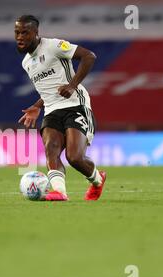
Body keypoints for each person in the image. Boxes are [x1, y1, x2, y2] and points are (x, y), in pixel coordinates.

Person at [16, 15, 106, 201]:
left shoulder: (54, 46)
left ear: (36, 33)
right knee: (52, 149)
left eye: (25, 32)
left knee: (74, 158)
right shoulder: (26, 63)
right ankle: (59, 192)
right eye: (17, 32)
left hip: (75, 105)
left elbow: (89, 56)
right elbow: (48, 90)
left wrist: (72, 85)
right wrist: (36, 106)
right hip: (51, 110)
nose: (20, 37)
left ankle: (98, 179)